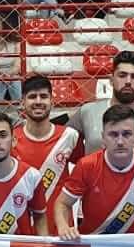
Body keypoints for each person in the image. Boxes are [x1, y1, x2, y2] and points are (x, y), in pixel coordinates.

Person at [54, 104, 134, 238]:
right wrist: (64, 227)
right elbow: (62, 203)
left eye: (127, 134)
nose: (120, 141)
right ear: (103, 137)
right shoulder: (86, 165)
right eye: (113, 134)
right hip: (94, 245)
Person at [67, 51, 134, 164]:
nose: (128, 81)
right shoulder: (87, 111)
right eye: (122, 75)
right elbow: (60, 141)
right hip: (93, 180)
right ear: (111, 80)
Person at [10, 74, 83, 218]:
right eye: (32, 97)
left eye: (43, 96)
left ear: (52, 101)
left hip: (60, 227)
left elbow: (84, 174)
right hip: (21, 227)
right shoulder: (10, 139)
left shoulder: (70, 136)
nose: (38, 101)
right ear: (22, 102)